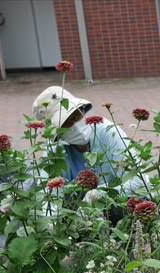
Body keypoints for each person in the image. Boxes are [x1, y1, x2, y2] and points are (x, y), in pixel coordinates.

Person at [32, 86, 149, 222]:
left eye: (77, 115)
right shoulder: (56, 148)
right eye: (68, 122)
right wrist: (51, 226)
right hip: (79, 213)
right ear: (57, 132)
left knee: (116, 210)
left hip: (118, 206)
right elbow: (49, 192)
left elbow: (138, 181)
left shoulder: (108, 132)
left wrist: (97, 194)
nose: (75, 123)